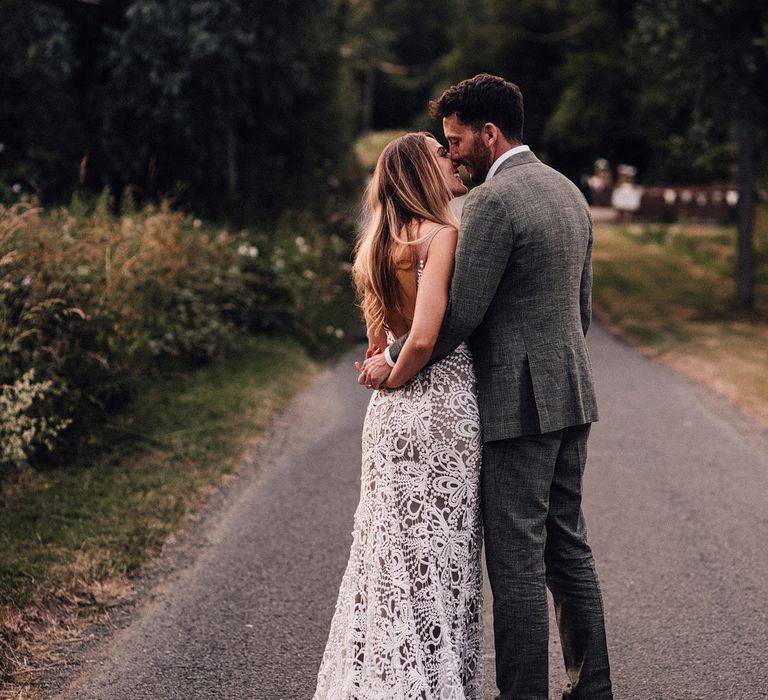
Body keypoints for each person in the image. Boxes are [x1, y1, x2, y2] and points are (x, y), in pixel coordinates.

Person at [360, 74, 613, 699]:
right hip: (571, 393)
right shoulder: (568, 192)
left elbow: (460, 315)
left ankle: (522, 695)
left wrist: (393, 359)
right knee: (567, 546)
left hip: (517, 406)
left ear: (489, 133)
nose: (451, 155)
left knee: (517, 561)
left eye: (455, 141)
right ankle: (594, 687)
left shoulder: (494, 204)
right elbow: (580, 310)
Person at [313, 132, 483, 698]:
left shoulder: (375, 247)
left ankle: (377, 679)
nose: (451, 156)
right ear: (420, 173)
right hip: (440, 409)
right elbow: (425, 337)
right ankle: (429, 684)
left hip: (388, 420)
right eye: (441, 153)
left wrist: (383, 374)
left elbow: (376, 343)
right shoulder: (442, 236)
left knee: (387, 553)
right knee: (442, 553)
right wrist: (399, 370)